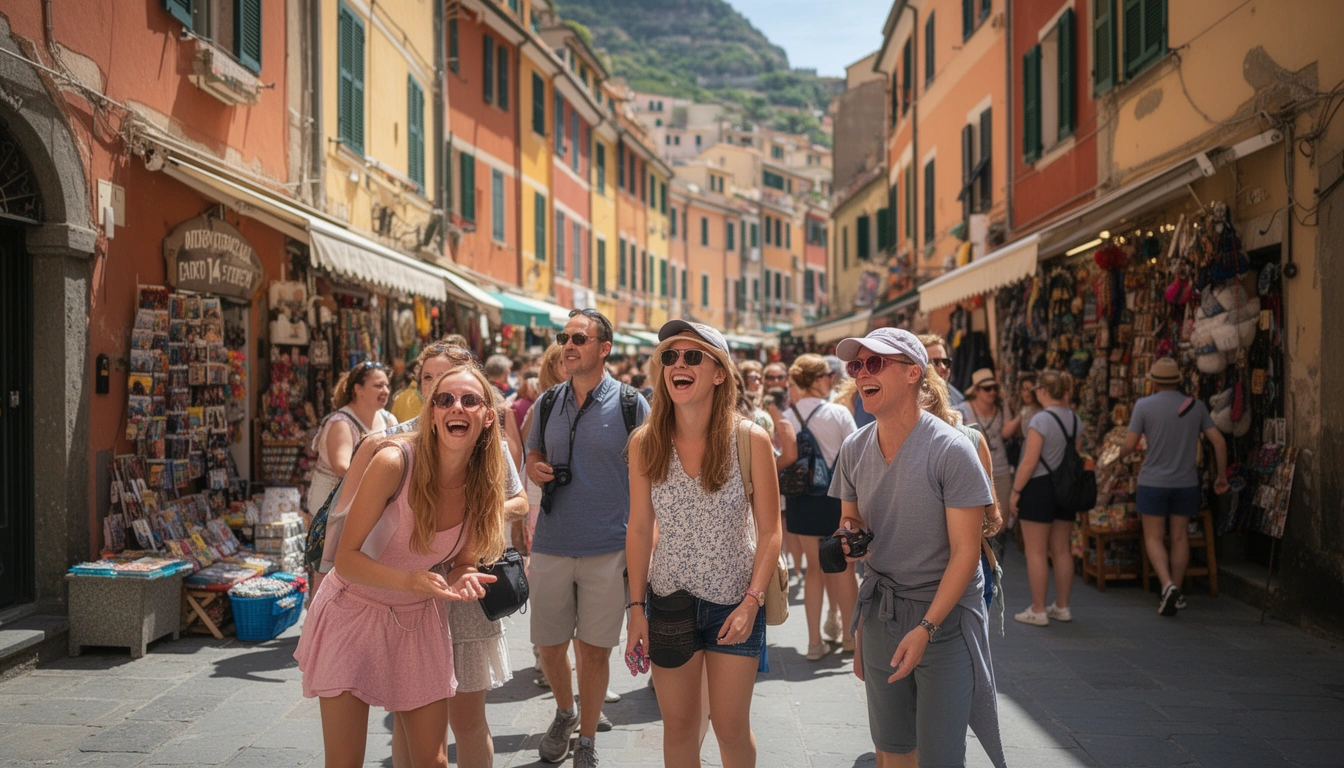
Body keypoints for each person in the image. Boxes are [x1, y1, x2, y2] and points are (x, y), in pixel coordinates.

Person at [319, 343, 529, 768]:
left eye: (470, 400)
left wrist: (464, 573)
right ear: (431, 412)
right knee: (345, 761)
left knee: (432, 760)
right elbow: (346, 559)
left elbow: (463, 555)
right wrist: (412, 580)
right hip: (353, 611)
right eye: (443, 398)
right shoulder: (394, 460)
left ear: (488, 417)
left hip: (419, 620)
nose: (456, 406)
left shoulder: (485, 481)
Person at [830, 328, 1006, 768]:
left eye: (875, 363)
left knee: (941, 756)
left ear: (913, 373)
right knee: (891, 750)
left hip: (944, 620)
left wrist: (926, 627)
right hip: (882, 613)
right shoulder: (853, 447)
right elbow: (851, 524)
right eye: (857, 365)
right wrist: (849, 542)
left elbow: (967, 553)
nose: (862, 374)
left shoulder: (951, 449)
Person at [626, 321, 782, 768]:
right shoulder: (644, 442)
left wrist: (752, 602)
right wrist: (636, 609)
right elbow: (638, 528)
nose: (678, 364)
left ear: (719, 373)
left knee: (730, 730)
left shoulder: (749, 438)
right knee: (678, 728)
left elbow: (771, 531)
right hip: (669, 602)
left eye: (692, 356)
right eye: (670, 357)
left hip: (734, 604)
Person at [526, 309, 650, 767]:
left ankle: (588, 739)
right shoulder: (546, 402)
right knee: (551, 646)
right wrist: (535, 466)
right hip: (552, 541)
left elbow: (653, 472)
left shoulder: (632, 404)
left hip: (608, 546)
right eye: (564, 336)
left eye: (579, 337)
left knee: (595, 651)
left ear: (604, 348)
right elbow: (532, 450)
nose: (568, 344)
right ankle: (565, 710)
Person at [1116, 358, 1229, 617]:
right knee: (1180, 536)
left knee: (1153, 537)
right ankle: (1175, 591)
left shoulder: (1144, 406)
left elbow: (1131, 444)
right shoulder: (1196, 406)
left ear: (1153, 381)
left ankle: (1166, 585)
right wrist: (1221, 476)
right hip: (1186, 482)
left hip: (1153, 482)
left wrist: (1119, 456)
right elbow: (1219, 442)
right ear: (1179, 380)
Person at [782, 354, 858, 660]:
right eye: (828, 375)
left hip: (801, 501)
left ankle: (814, 643)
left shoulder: (786, 416)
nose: (832, 379)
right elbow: (857, 455)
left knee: (814, 570)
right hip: (837, 499)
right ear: (815, 380)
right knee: (844, 570)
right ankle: (851, 639)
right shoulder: (838, 414)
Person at [1009, 370, 1083, 626]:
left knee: (1036, 552)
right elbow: (1075, 457)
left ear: (1042, 391)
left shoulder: (1040, 420)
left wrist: (1016, 491)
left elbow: (1029, 461)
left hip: (1038, 487)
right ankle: (1062, 606)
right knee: (1062, 549)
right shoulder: (1075, 420)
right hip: (1066, 488)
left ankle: (1038, 609)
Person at [307, 360, 397, 524]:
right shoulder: (341, 423)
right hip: (331, 508)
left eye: (387, 386)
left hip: (367, 504)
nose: (385, 391)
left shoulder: (389, 419)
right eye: (378, 386)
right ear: (358, 389)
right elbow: (342, 467)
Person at [957, 369, 1015, 545]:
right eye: (987, 388)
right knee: (977, 520)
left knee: (1000, 520)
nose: (992, 392)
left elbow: (1005, 433)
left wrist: (1023, 416)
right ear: (976, 390)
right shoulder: (963, 409)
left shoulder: (1001, 406)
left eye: (994, 388)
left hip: (1001, 469)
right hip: (975, 470)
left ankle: (998, 558)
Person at [919, 334, 965, 406]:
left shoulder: (959, 402)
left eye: (946, 362)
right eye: (935, 362)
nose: (943, 367)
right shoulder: (909, 400)